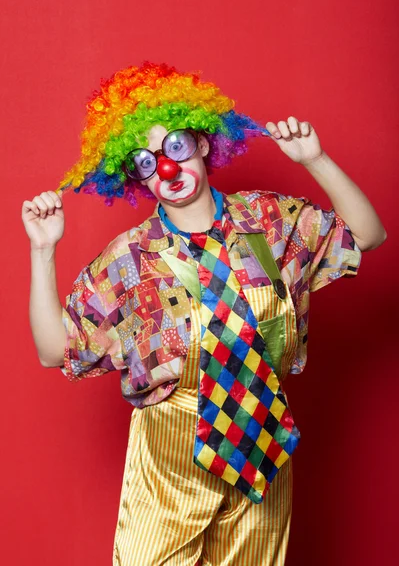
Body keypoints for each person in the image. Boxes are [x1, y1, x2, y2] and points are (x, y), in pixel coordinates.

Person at [22, 62, 387, 566]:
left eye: (174, 147)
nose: (167, 169)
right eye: (147, 162)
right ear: (137, 179)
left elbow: (367, 236)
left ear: (203, 143)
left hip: (260, 438)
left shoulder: (268, 221)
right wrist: (43, 252)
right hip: (171, 456)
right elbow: (52, 352)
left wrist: (316, 159)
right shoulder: (129, 259)